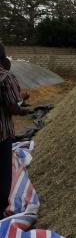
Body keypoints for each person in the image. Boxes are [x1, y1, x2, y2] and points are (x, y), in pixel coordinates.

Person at [0, 43, 31, 219]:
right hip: (2, 135)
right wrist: (23, 108)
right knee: (3, 174)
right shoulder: (5, 76)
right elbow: (13, 107)